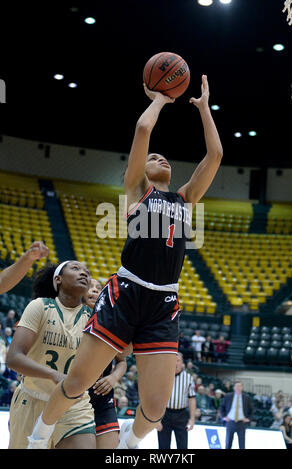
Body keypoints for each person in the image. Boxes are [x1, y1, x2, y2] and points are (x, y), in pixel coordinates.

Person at [28, 74, 223, 450]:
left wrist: (203, 108)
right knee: (77, 382)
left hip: (164, 301)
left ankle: (131, 445)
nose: (159, 157)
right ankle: (39, 437)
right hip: (126, 291)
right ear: (139, 172)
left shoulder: (186, 199)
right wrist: (162, 98)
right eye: (152, 157)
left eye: (162, 156)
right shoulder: (138, 189)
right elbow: (143, 128)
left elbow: (215, 156)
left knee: (155, 409)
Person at [6, 261, 96, 449]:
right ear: (58, 279)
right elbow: (13, 357)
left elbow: (123, 353)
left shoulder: (93, 317)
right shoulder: (40, 307)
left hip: (73, 404)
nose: (83, 273)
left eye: (86, 272)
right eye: (76, 269)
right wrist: (53, 374)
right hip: (32, 399)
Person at [83, 278, 128, 449]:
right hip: (75, 396)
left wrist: (113, 378)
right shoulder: (71, 316)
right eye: (90, 287)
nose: (94, 290)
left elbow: (122, 360)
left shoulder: (110, 321)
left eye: (98, 288)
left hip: (102, 397)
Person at [157, 353, 196, 449]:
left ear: (182, 363)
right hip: (164, 414)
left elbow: (192, 399)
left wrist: (192, 419)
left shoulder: (188, 378)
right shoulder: (162, 376)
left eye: (178, 360)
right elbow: (156, 397)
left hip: (181, 415)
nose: (175, 363)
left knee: (182, 446)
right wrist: (156, 419)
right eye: (173, 360)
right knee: (163, 446)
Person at [219, 380, 253, 449]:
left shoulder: (246, 397)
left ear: (242, 387)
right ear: (234, 387)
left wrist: (248, 419)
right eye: (236, 386)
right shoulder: (228, 396)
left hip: (241, 423)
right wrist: (224, 417)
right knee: (228, 443)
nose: (238, 387)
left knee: (242, 445)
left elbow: (251, 410)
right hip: (230, 422)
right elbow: (221, 407)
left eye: (240, 386)